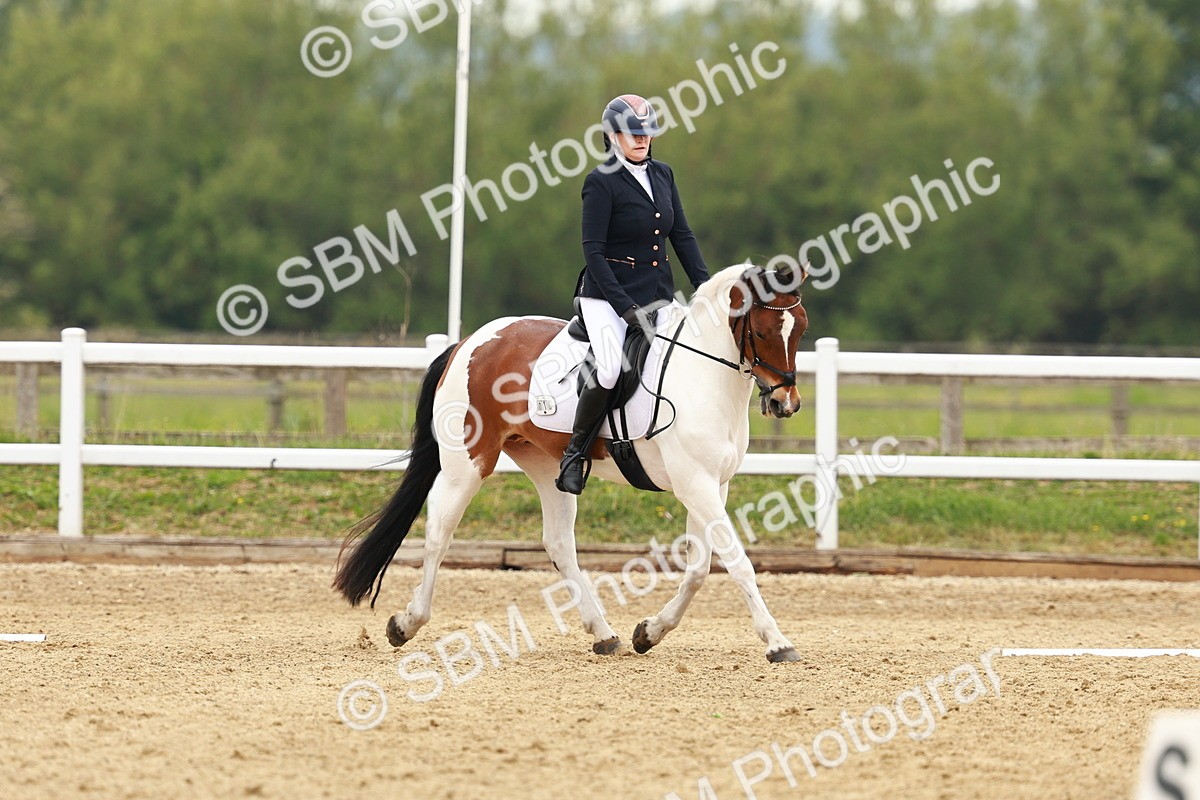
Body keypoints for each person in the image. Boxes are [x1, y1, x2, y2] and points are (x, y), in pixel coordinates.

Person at [555, 94, 711, 495]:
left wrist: (706, 287)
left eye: (646, 133)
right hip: (608, 298)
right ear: (612, 136)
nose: (641, 140)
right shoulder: (601, 181)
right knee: (608, 367)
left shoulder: (664, 174)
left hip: (658, 293)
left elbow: (682, 235)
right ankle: (576, 453)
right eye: (632, 133)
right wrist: (623, 306)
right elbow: (593, 251)